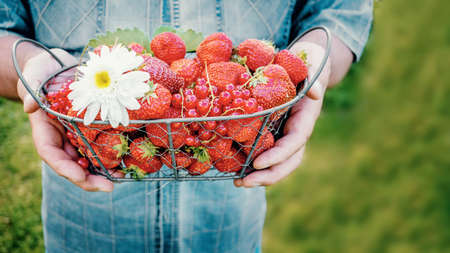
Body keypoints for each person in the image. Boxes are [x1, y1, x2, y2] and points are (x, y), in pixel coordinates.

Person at [0, 0, 373, 252]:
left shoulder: (231, 89)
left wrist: (309, 70)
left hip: (231, 200)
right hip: (87, 191)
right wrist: (41, 72)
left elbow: (339, 11)